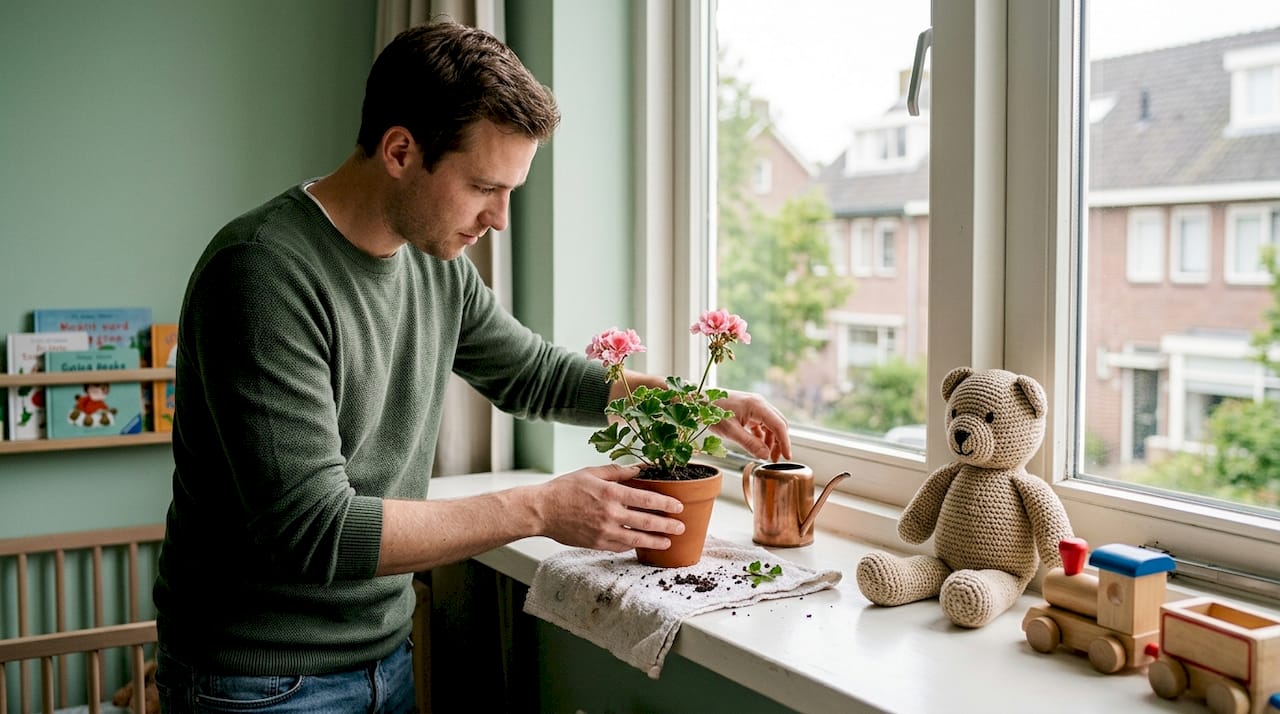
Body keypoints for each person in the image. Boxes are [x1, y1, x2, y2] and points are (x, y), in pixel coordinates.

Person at [152, 19, 791, 713]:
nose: (500, 219)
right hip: (259, 683)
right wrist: (542, 508)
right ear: (400, 151)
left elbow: (538, 375)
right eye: (485, 186)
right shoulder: (262, 273)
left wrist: (698, 406)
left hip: (384, 655)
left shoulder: (433, 267)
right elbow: (319, 531)